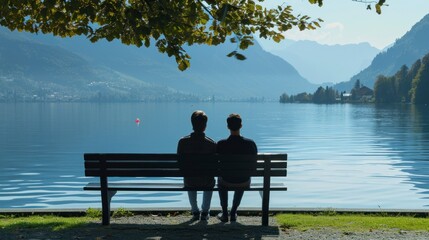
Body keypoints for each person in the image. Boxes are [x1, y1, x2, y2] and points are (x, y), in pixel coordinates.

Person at [216, 113, 257, 222]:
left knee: (220, 177)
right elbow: (254, 166)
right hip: (243, 181)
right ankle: (233, 212)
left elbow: (215, 165)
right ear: (241, 126)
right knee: (243, 174)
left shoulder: (221, 144)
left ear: (228, 127)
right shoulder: (250, 144)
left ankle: (225, 213)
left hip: (225, 181)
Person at [177, 110, 217, 221]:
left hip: (189, 180)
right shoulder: (211, 144)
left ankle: (195, 211)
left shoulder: (182, 142)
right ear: (205, 126)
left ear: (192, 124)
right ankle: (205, 212)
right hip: (206, 181)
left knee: (189, 175)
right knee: (210, 180)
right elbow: (214, 167)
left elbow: (180, 164)